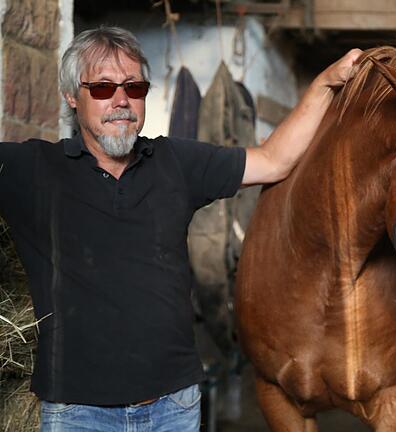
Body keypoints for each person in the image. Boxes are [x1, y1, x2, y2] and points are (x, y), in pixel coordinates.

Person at [0, 26, 360, 431]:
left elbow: (274, 160)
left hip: (173, 408)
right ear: (72, 96)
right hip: (79, 415)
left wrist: (325, 83)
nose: (121, 101)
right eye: (102, 88)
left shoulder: (174, 162)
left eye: (133, 87)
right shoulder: (33, 170)